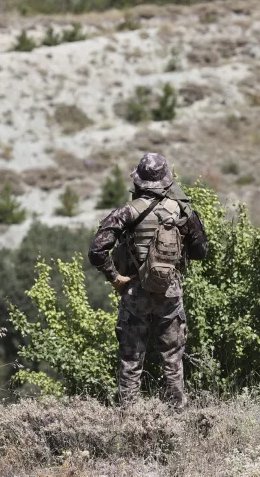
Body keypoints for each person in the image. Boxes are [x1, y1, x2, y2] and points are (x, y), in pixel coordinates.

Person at [89, 153, 207, 409]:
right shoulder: (183, 211)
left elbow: (96, 251)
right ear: (166, 181)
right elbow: (200, 252)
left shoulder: (127, 212)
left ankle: (129, 418)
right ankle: (176, 414)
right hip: (170, 293)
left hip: (134, 294)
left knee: (131, 359)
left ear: (139, 182)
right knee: (173, 359)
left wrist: (115, 277)